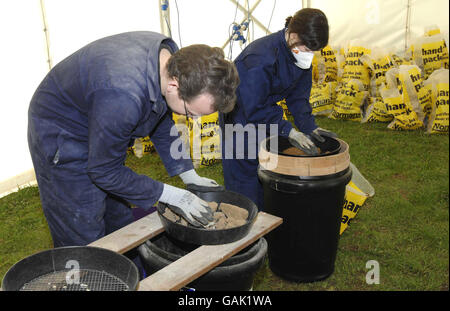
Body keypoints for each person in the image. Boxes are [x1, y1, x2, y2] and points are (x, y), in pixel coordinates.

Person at [28, 31, 240, 250]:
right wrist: (171, 195)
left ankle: (124, 275)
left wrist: (187, 173)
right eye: (191, 114)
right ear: (174, 87)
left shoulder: (172, 61)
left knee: (119, 221)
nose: (193, 120)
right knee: (84, 227)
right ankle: (82, 279)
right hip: (62, 130)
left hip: (102, 111)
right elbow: (104, 170)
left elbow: (158, 113)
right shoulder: (123, 96)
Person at [221, 8, 337, 211]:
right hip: (240, 116)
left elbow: (298, 97)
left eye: (314, 51)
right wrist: (288, 130)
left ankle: (268, 223)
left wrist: (310, 127)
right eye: (308, 48)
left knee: (268, 171)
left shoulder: (299, 53)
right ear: (293, 36)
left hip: (265, 114)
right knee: (245, 179)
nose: (310, 55)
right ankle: (246, 227)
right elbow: (253, 107)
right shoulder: (260, 59)